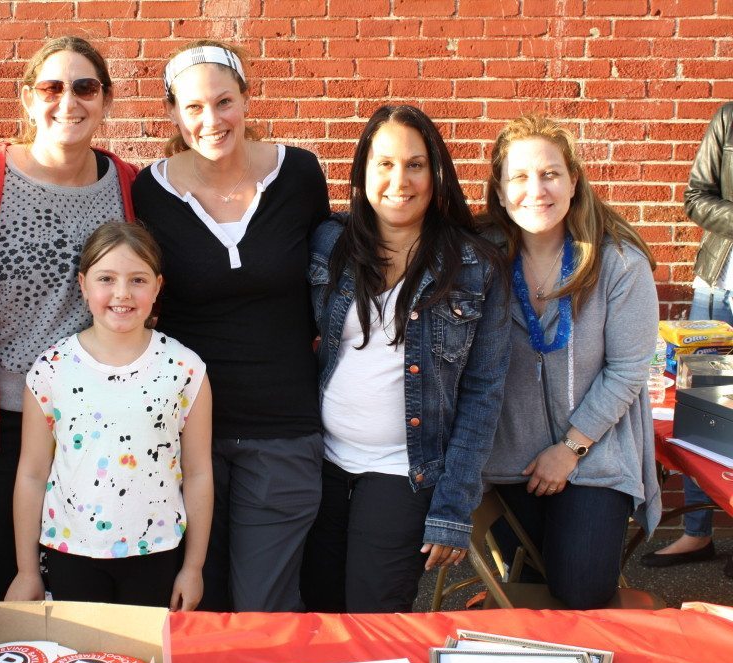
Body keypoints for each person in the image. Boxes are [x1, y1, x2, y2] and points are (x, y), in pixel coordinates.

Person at [0, 36, 140, 602]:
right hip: (1, 421)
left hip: (101, 423)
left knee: (91, 596)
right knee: (3, 591)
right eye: (51, 87)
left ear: (105, 100)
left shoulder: (129, 185)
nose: (68, 102)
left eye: (85, 87)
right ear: (28, 98)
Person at [132, 40, 330, 612]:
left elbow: (328, 278)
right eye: (193, 107)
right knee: (199, 602)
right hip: (184, 431)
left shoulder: (299, 173)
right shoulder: (149, 191)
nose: (211, 120)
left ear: (246, 99)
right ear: (172, 113)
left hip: (283, 426)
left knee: (264, 606)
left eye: (224, 102)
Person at [298, 105, 509, 613]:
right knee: (318, 610)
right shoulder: (329, 244)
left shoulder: (475, 265)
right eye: (385, 164)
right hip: (321, 463)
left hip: (405, 470)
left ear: (436, 174)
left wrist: (453, 507)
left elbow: (483, 392)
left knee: (373, 617)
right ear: (362, 172)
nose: (400, 181)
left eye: (415, 165)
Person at [482, 114, 662, 609]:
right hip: (510, 459)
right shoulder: (481, 260)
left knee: (581, 589)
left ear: (574, 181)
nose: (535, 190)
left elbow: (627, 370)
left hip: (595, 453)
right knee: (530, 583)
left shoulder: (620, 262)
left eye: (550, 174)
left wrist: (570, 448)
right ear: (499, 191)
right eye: (519, 176)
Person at [5, 221, 212, 609]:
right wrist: (27, 570)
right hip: (71, 553)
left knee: (145, 650)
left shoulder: (185, 369)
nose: (122, 293)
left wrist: (194, 567)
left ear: (157, 287)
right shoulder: (51, 370)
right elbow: (32, 474)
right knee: (80, 650)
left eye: (137, 280)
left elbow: (199, 472)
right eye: (106, 278)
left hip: (157, 553)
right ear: (83, 285)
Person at [641, 102, 733, 578]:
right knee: (701, 410)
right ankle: (698, 532)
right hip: (722, 291)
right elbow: (696, 197)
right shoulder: (729, 119)